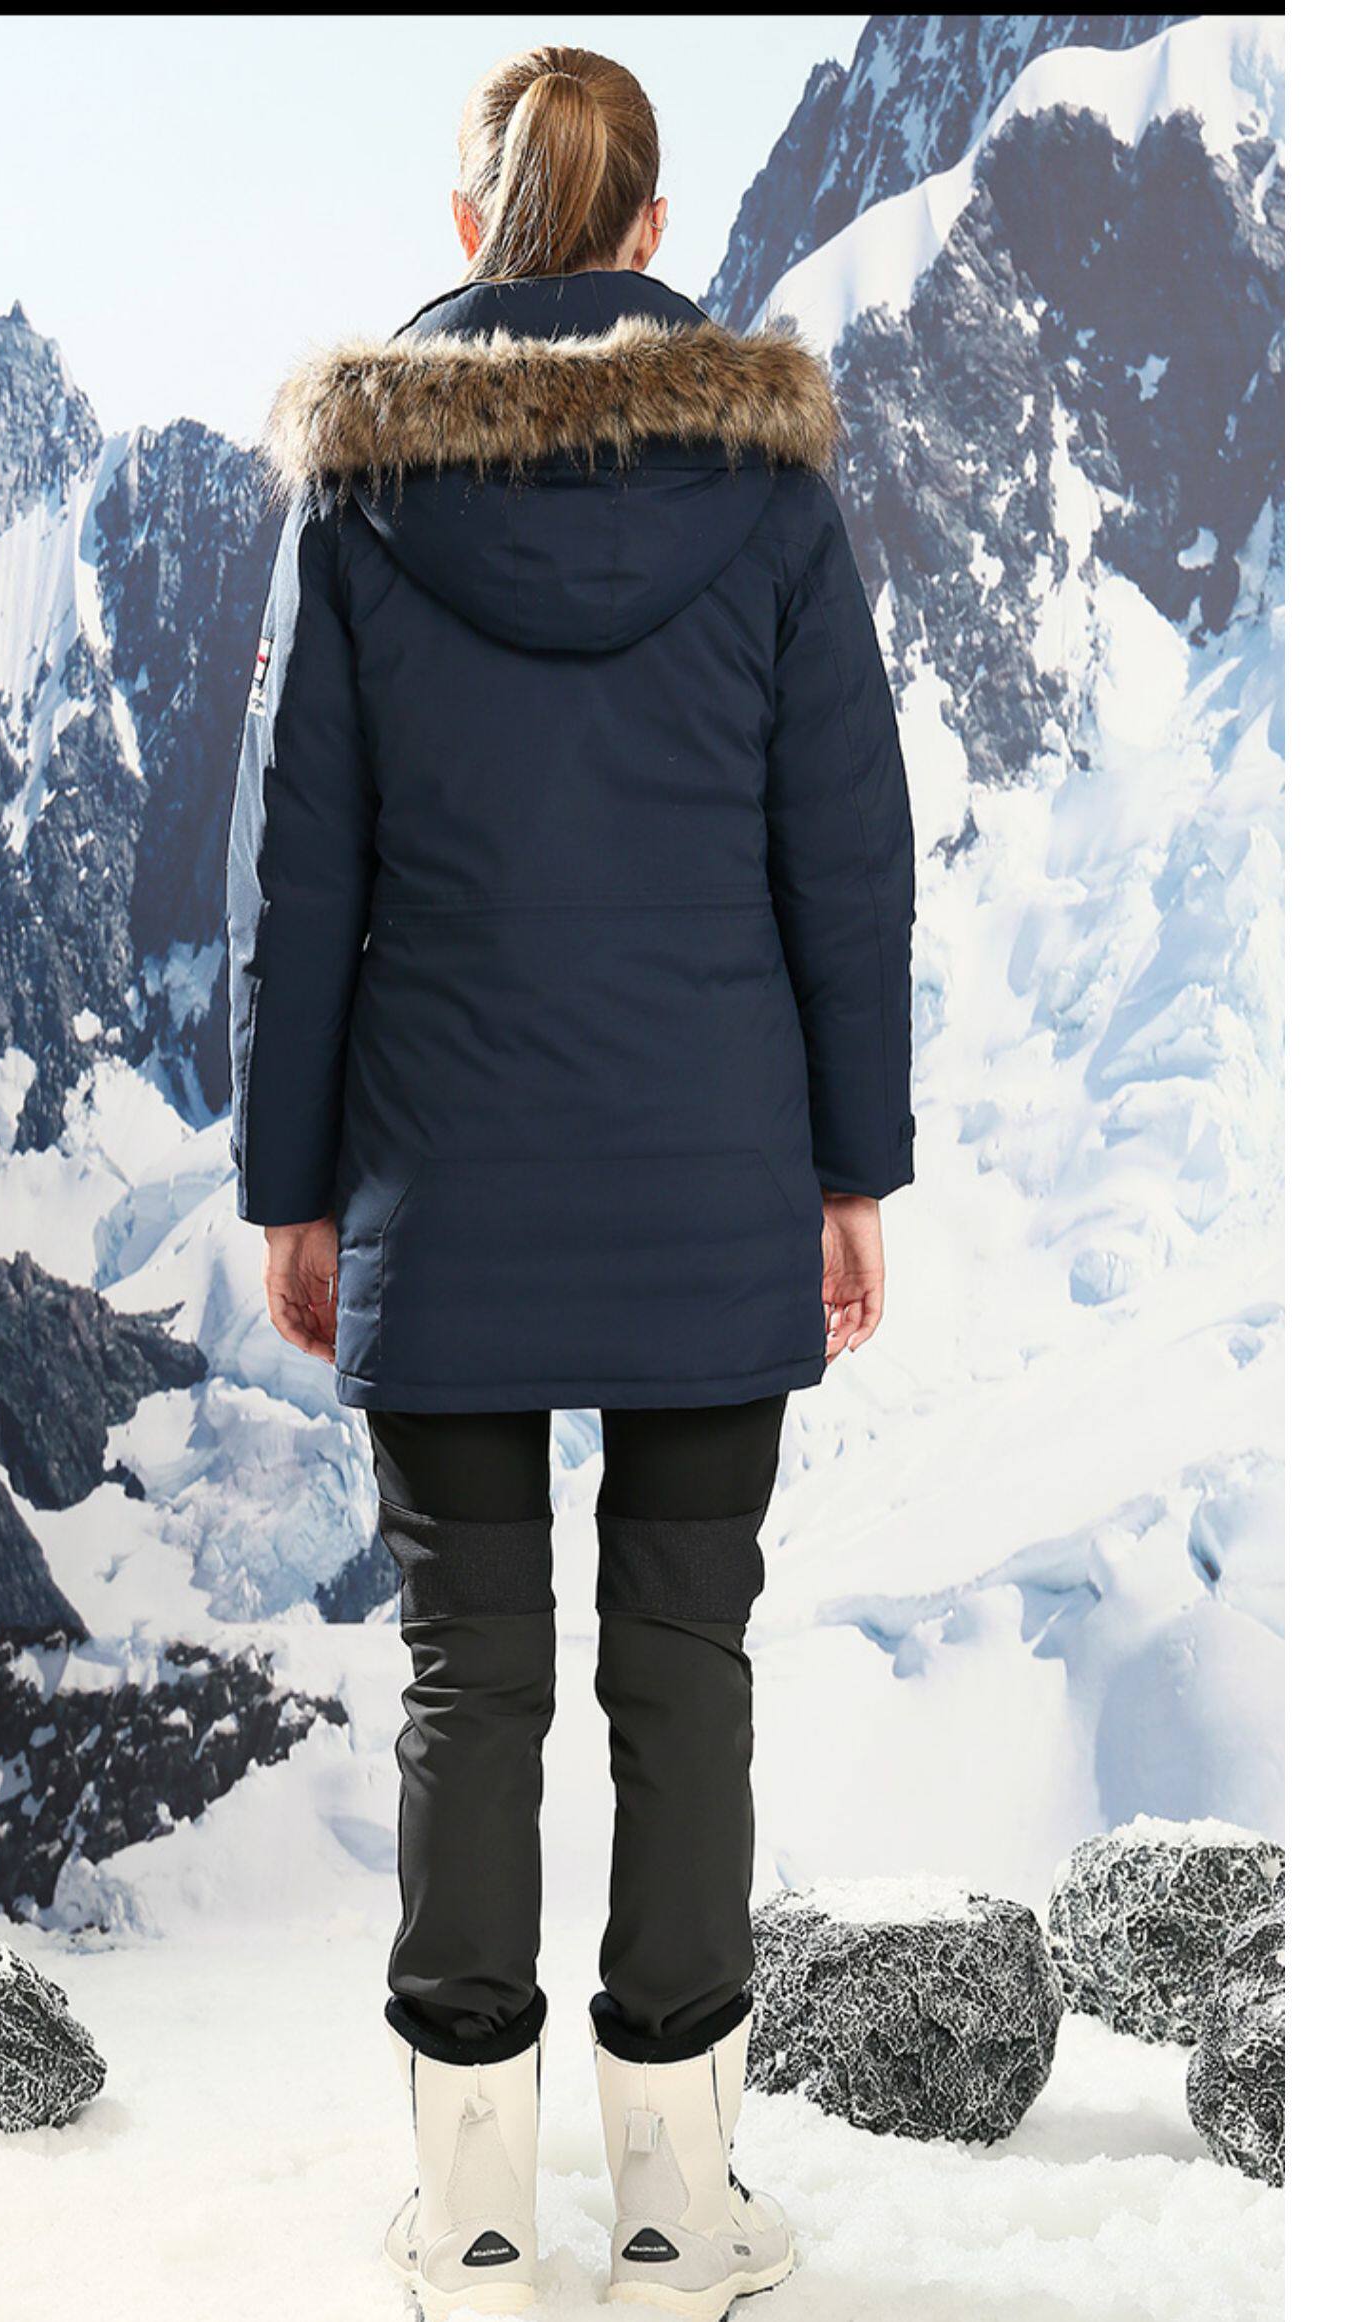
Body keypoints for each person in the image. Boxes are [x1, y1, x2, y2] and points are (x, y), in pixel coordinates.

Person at [227, 43, 914, 2320]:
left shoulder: (358, 502)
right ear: (650, 231)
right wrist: (853, 1169)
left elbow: (296, 874)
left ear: (470, 230)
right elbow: (848, 860)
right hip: (714, 1168)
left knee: (469, 1677)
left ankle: (475, 2206)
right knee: (685, 1665)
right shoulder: (772, 494)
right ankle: (682, 2204)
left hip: (443, 1174)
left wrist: (295, 1190)